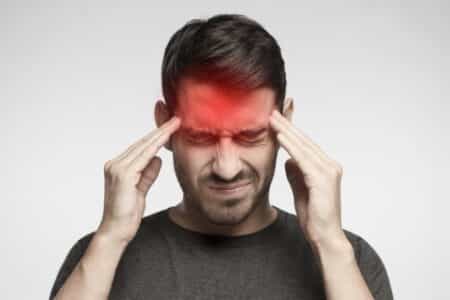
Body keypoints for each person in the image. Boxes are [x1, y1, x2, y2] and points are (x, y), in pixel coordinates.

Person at [49, 14, 394, 300]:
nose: (227, 169)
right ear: (163, 126)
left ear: (284, 123)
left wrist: (330, 244)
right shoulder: (97, 261)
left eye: (250, 136)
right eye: (201, 137)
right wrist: (110, 240)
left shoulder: (350, 261)